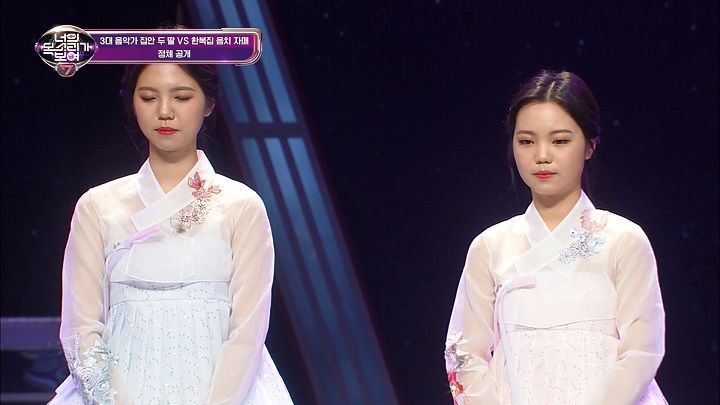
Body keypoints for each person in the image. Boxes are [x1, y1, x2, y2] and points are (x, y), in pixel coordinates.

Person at [49, 63, 294, 404]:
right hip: (118, 390)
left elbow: (248, 331)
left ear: (209, 104)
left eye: (181, 97)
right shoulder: (98, 205)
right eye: (149, 97)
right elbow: (81, 329)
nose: (164, 111)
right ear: (132, 104)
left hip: (224, 391)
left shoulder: (241, 205)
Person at [444, 71, 667, 404]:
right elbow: (465, 353)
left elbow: (642, 350)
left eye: (560, 141)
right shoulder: (490, 247)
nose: (542, 155)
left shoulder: (624, 240)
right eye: (526, 141)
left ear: (590, 145)